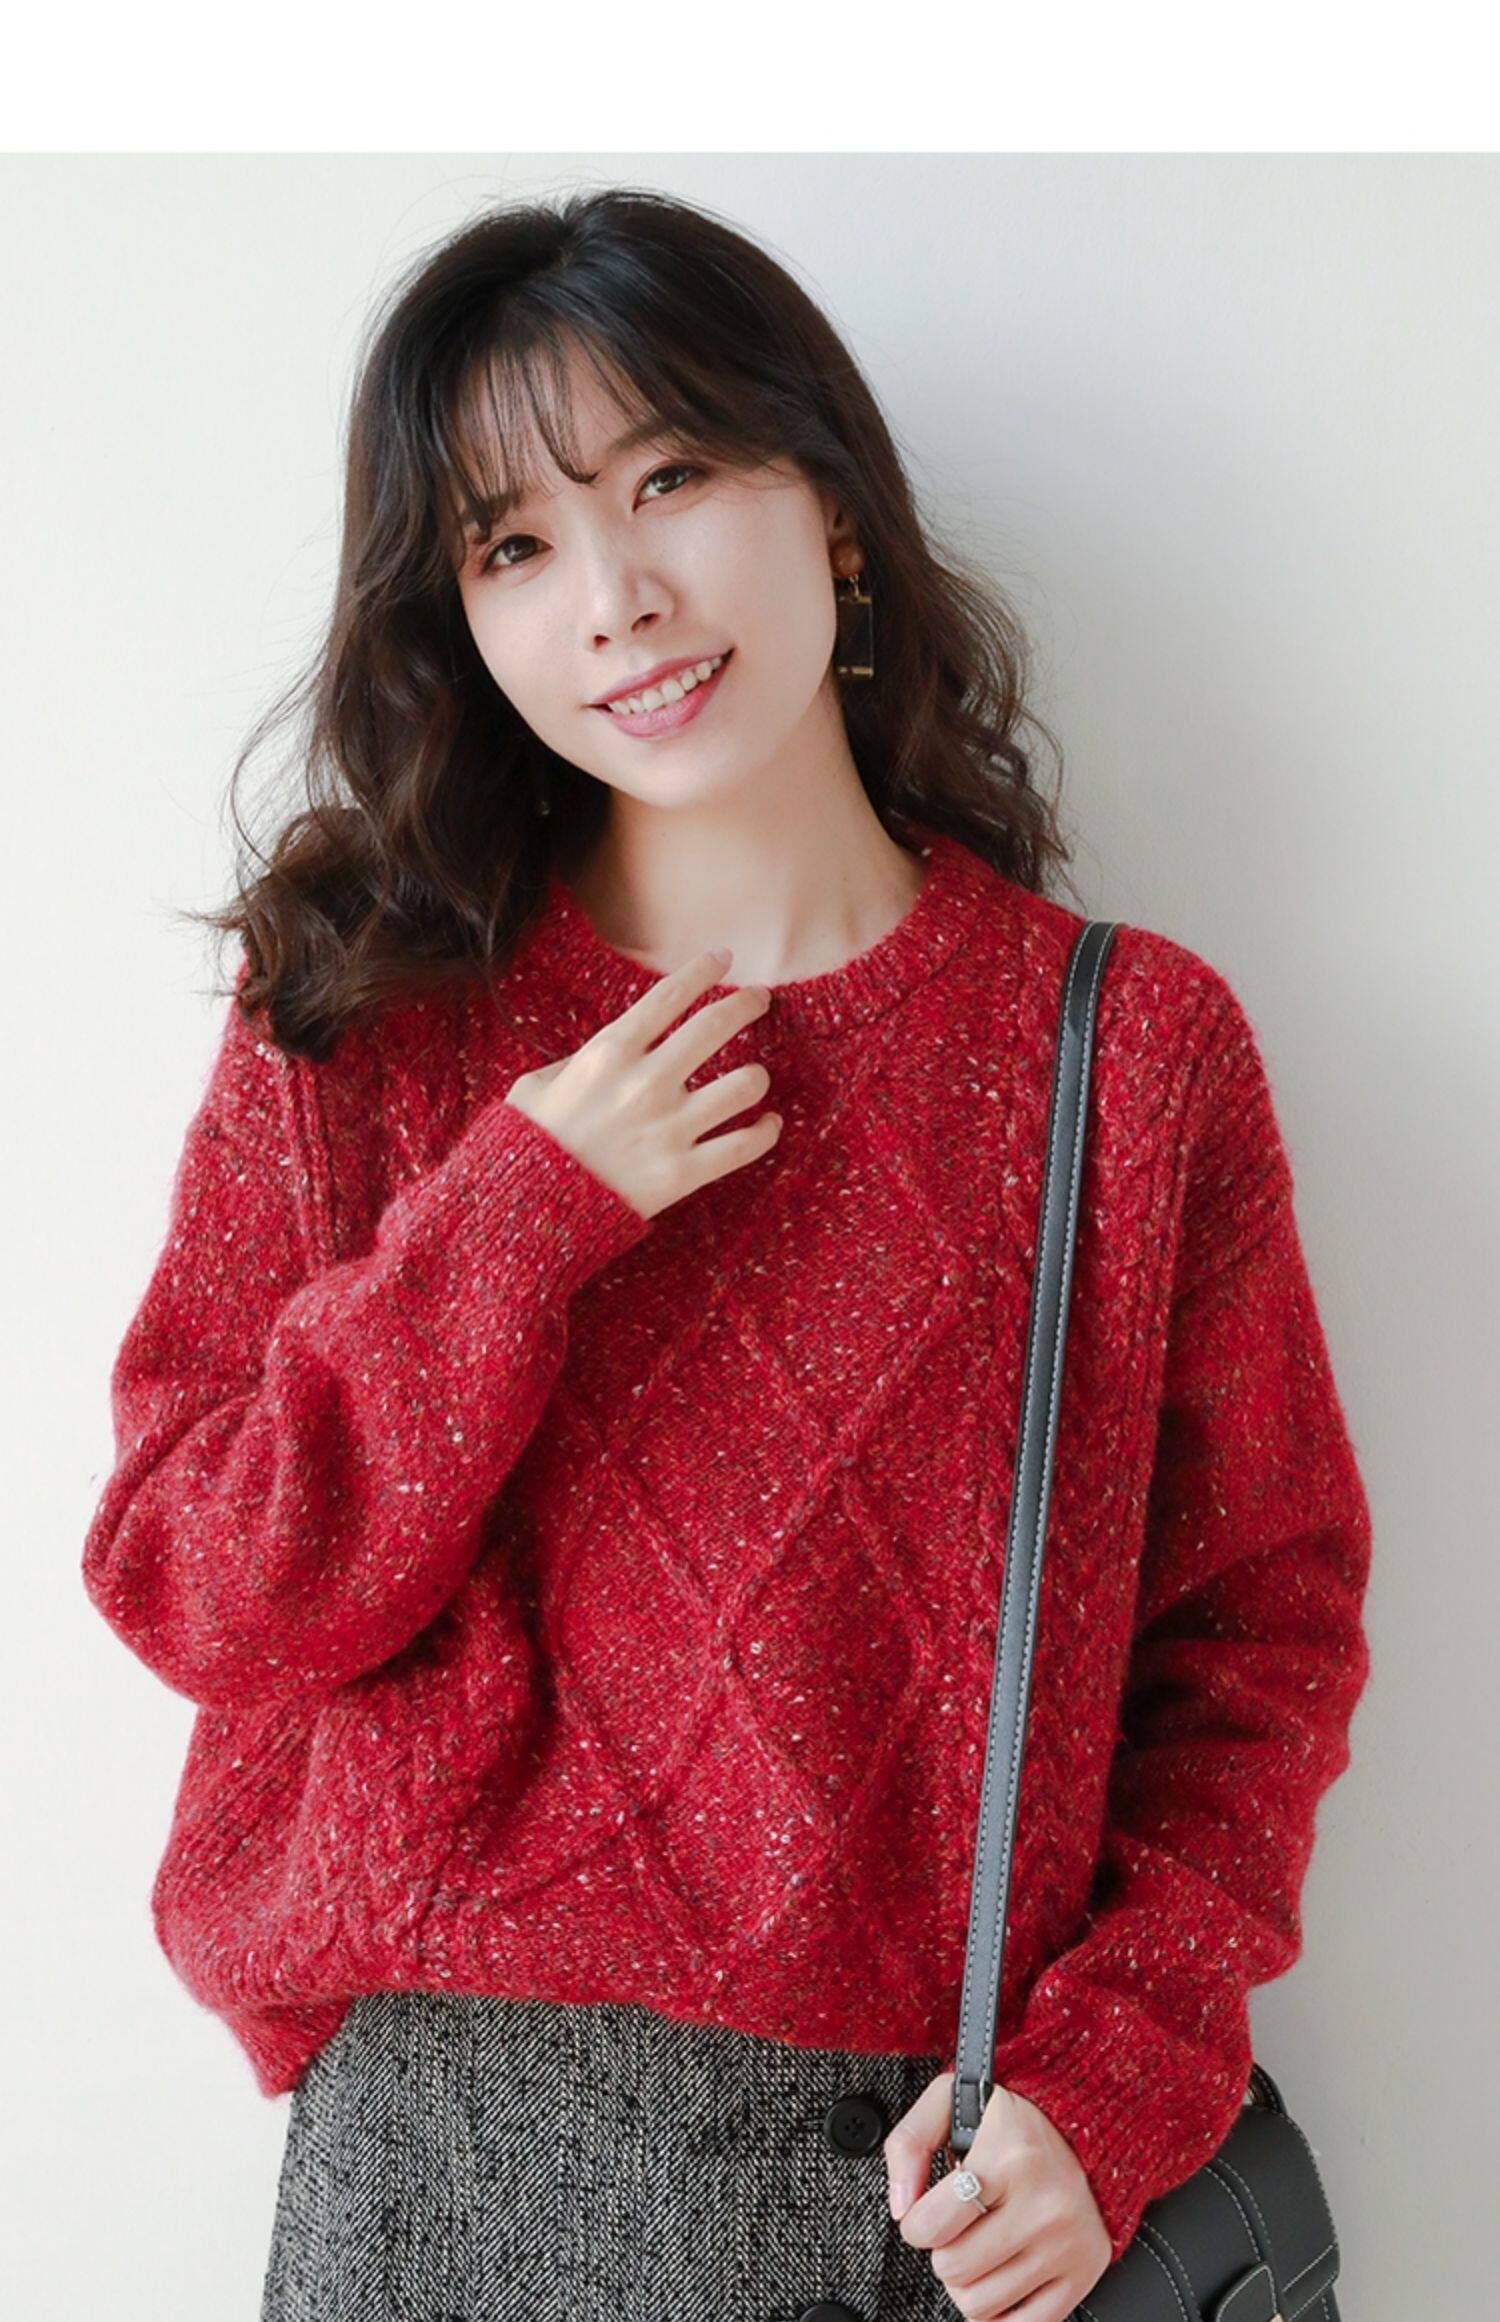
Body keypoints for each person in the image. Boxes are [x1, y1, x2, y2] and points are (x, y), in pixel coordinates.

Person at [80, 187, 1373, 2322]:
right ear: (457, 619)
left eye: (670, 477)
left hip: (933, 2177)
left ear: (832, 504)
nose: (617, 598)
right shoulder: (375, 1018)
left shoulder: (1120, 1056)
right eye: (512, 544)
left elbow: (1256, 1642)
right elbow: (193, 1582)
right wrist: (515, 1217)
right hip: (439, 2167)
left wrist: (1111, 2082)